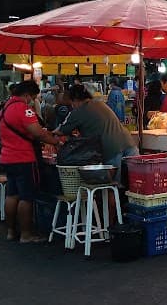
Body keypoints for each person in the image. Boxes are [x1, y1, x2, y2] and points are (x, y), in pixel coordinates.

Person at [57, 84, 138, 220]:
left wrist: (47, 133)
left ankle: (110, 226)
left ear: (75, 100)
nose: (72, 106)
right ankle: (132, 220)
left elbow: (61, 131)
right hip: (129, 144)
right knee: (135, 186)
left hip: (111, 149)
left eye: (72, 103)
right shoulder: (100, 104)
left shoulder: (80, 111)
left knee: (111, 187)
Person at [0, 81, 59, 243]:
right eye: (32, 97)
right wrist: (55, 141)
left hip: (7, 157)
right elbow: (38, 133)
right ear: (26, 95)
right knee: (26, 197)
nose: (33, 101)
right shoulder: (23, 109)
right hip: (24, 158)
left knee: (12, 195)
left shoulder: (5, 107)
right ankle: (26, 234)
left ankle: (11, 231)